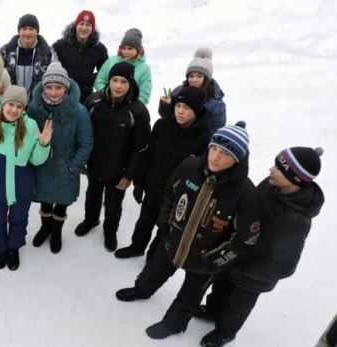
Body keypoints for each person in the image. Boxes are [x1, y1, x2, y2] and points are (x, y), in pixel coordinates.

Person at [115, 121, 261, 341]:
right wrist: (165, 225)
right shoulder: (189, 166)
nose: (215, 157)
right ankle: (141, 290)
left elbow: (245, 238)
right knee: (153, 271)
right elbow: (170, 194)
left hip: (205, 260)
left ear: (237, 159)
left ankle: (173, 324)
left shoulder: (246, 194)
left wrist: (215, 259)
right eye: (214, 148)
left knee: (190, 296)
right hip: (173, 241)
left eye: (225, 153)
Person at [196, 147, 324, 347]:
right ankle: (212, 311)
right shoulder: (270, 184)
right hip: (237, 254)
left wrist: (249, 270)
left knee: (238, 306)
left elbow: (284, 265)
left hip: (254, 273)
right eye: (275, 163)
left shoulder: (295, 220)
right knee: (220, 288)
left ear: (295, 180)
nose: (271, 169)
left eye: (279, 169)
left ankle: (225, 331)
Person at [115, 86, 212, 261]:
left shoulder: (205, 139)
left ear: (197, 110)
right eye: (178, 106)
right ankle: (137, 247)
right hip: (154, 185)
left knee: (165, 229)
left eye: (187, 108)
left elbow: (200, 174)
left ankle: (153, 257)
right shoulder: (162, 125)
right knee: (144, 222)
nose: (180, 111)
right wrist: (139, 183)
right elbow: (148, 155)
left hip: (176, 197)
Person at [0, 86, 52, 270]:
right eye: (11, 105)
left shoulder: (30, 126)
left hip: (21, 188)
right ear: (3, 104)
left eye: (19, 106)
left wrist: (43, 144)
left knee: (18, 221)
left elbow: (36, 160)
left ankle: (14, 248)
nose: (14, 110)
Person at [74, 62, 151, 252]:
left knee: (113, 204)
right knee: (92, 194)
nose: (118, 86)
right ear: (108, 81)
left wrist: (129, 176)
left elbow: (140, 148)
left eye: (123, 81)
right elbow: (81, 132)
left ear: (130, 83)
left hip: (120, 170)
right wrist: (81, 158)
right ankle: (90, 220)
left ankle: (110, 232)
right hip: (94, 164)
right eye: (114, 80)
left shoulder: (138, 111)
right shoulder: (94, 101)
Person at [26, 62, 93, 254]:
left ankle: (56, 231)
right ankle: (45, 227)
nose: (53, 92)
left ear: (66, 88)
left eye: (58, 88)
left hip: (67, 163)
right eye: (49, 87)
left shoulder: (79, 111)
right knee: (45, 199)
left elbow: (86, 142)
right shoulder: (34, 108)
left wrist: (75, 166)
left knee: (62, 201)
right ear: (43, 87)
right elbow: (26, 137)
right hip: (42, 162)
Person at [159, 47, 226, 132]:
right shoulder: (179, 91)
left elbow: (217, 131)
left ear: (206, 79)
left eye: (199, 76)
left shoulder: (216, 104)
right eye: (191, 76)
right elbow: (166, 117)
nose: (194, 80)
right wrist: (166, 105)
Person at [52, 10, 108, 103]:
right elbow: (49, 65)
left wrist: (90, 79)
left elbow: (105, 71)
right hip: (62, 95)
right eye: (81, 24)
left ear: (92, 28)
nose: (84, 28)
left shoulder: (99, 49)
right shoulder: (60, 45)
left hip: (85, 97)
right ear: (76, 25)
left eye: (88, 25)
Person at [0, 14, 58, 100]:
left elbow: (56, 79)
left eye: (31, 29)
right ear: (19, 31)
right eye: (24, 29)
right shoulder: (6, 51)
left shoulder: (48, 53)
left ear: (37, 31)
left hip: (37, 105)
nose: (27, 33)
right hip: (12, 104)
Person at [94, 28, 152, 105]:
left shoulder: (144, 69)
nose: (126, 52)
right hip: (107, 104)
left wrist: (130, 106)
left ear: (138, 50)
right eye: (123, 48)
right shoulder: (111, 61)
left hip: (130, 108)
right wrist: (109, 95)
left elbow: (144, 95)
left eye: (130, 49)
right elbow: (99, 81)